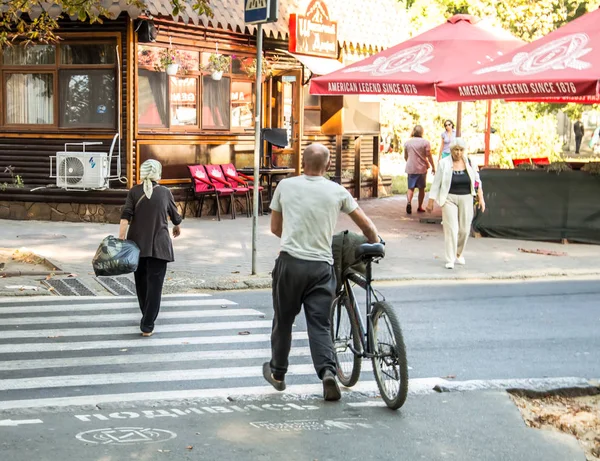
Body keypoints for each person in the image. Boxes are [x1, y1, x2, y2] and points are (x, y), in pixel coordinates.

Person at [263, 143, 379, 401]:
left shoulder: (285, 186)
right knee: (320, 324)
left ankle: (278, 374)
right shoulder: (337, 191)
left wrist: (295, 237)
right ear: (327, 166)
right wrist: (376, 241)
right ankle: (327, 371)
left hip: (290, 264)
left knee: (283, 321)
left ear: (301, 163)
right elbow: (367, 225)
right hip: (321, 269)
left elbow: (274, 228)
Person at [119, 160, 182, 337]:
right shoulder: (165, 192)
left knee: (141, 284)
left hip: (136, 246)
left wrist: (120, 239)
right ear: (157, 173)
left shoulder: (133, 191)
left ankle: (145, 316)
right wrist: (177, 226)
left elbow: (125, 217)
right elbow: (175, 216)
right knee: (155, 287)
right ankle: (147, 324)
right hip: (159, 247)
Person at [426, 138, 485, 270]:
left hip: (466, 197)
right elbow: (436, 183)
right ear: (451, 150)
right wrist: (430, 202)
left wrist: (480, 197)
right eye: (455, 150)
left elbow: (477, 181)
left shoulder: (470, 162)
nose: (458, 153)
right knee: (451, 229)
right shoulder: (443, 163)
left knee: (464, 230)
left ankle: (459, 253)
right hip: (449, 198)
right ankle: (450, 258)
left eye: (461, 150)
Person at [404, 125, 435, 214]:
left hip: (411, 168)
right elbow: (429, 155)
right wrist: (433, 166)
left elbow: (405, 156)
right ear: (422, 132)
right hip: (422, 168)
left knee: (410, 188)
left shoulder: (407, 143)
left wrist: (409, 162)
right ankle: (420, 206)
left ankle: (409, 202)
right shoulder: (425, 142)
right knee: (421, 188)